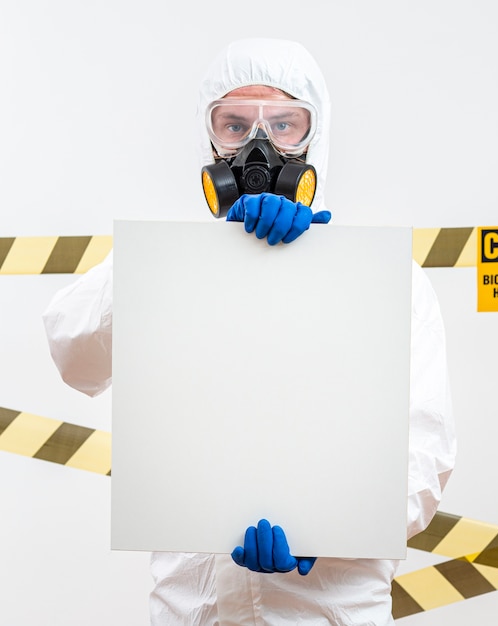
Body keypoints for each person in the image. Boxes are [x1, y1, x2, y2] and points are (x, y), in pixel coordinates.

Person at [43, 38, 456, 625]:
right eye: (234, 126)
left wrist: (333, 526)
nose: (259, 146)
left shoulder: (388, 280)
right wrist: (185, 261)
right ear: (207, 138)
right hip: (194, 609)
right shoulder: (170, 269)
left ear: (316, 135)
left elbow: (427, 451)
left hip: (330, 611)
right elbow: (70, 351)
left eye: (284, 124)